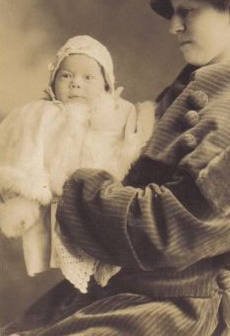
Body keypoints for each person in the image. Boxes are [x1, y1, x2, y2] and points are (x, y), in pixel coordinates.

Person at [3, 0, 230, 336]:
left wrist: (71, 183)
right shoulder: (200, 82)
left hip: (181, 305)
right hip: (127, 285)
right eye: (174, 13)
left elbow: (168, 232)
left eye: (187, 12)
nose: (174, 26)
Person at [0, 35, 154, 294]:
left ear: (106, 83)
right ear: (53, 80)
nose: (75, 85)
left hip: (97, 205)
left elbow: (131, 154)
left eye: (88, 78)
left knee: (103, 264)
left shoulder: (118, 114)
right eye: (66, 76)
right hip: (50, 205)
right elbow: (24, 150)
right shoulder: (40, 114)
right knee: (49, 270)